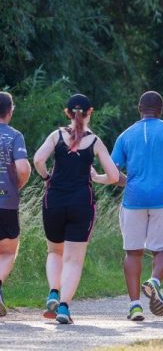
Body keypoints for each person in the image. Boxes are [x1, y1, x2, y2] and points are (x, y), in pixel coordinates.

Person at [34, 94, 119, 324]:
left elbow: (38, 159)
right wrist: (97, 178)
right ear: (90, 112)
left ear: (67, 113)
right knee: (73, 260)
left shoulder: (56, 135)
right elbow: (113, 176)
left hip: (54, 201)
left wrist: (46, 178)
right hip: (82, 203)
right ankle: (63, 308)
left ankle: (53, 291)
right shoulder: (95, 141)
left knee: (54, 252)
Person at [111, 91, 163, 321]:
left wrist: (129, 183)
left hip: (133, 200)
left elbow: (113, 172)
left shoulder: (125, 136)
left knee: (133, 251)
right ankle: (154, 281)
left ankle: (135, 306)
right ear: (161, 109)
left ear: (139, 108)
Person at [0, 92, 31, 316]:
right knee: (8, 251)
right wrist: (16, 186)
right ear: (10, 111)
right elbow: (22, 168)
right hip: (5, 200)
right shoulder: (14, 136)